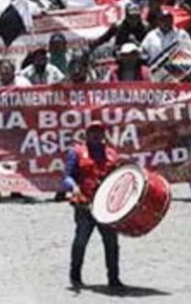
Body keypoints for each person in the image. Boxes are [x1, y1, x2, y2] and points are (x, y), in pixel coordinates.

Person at [63, 121, 124, 293]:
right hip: (85, 204)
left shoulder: (113, 155)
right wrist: (74, 188)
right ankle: (75, 276)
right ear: (86, 134)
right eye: (92, 132)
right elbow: (67, 176)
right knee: (81, 240)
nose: (96, 135)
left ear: (104, 134)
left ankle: (114, 278)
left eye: (99, 132)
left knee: (111, 242)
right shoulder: (76, 153)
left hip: (107, 207)